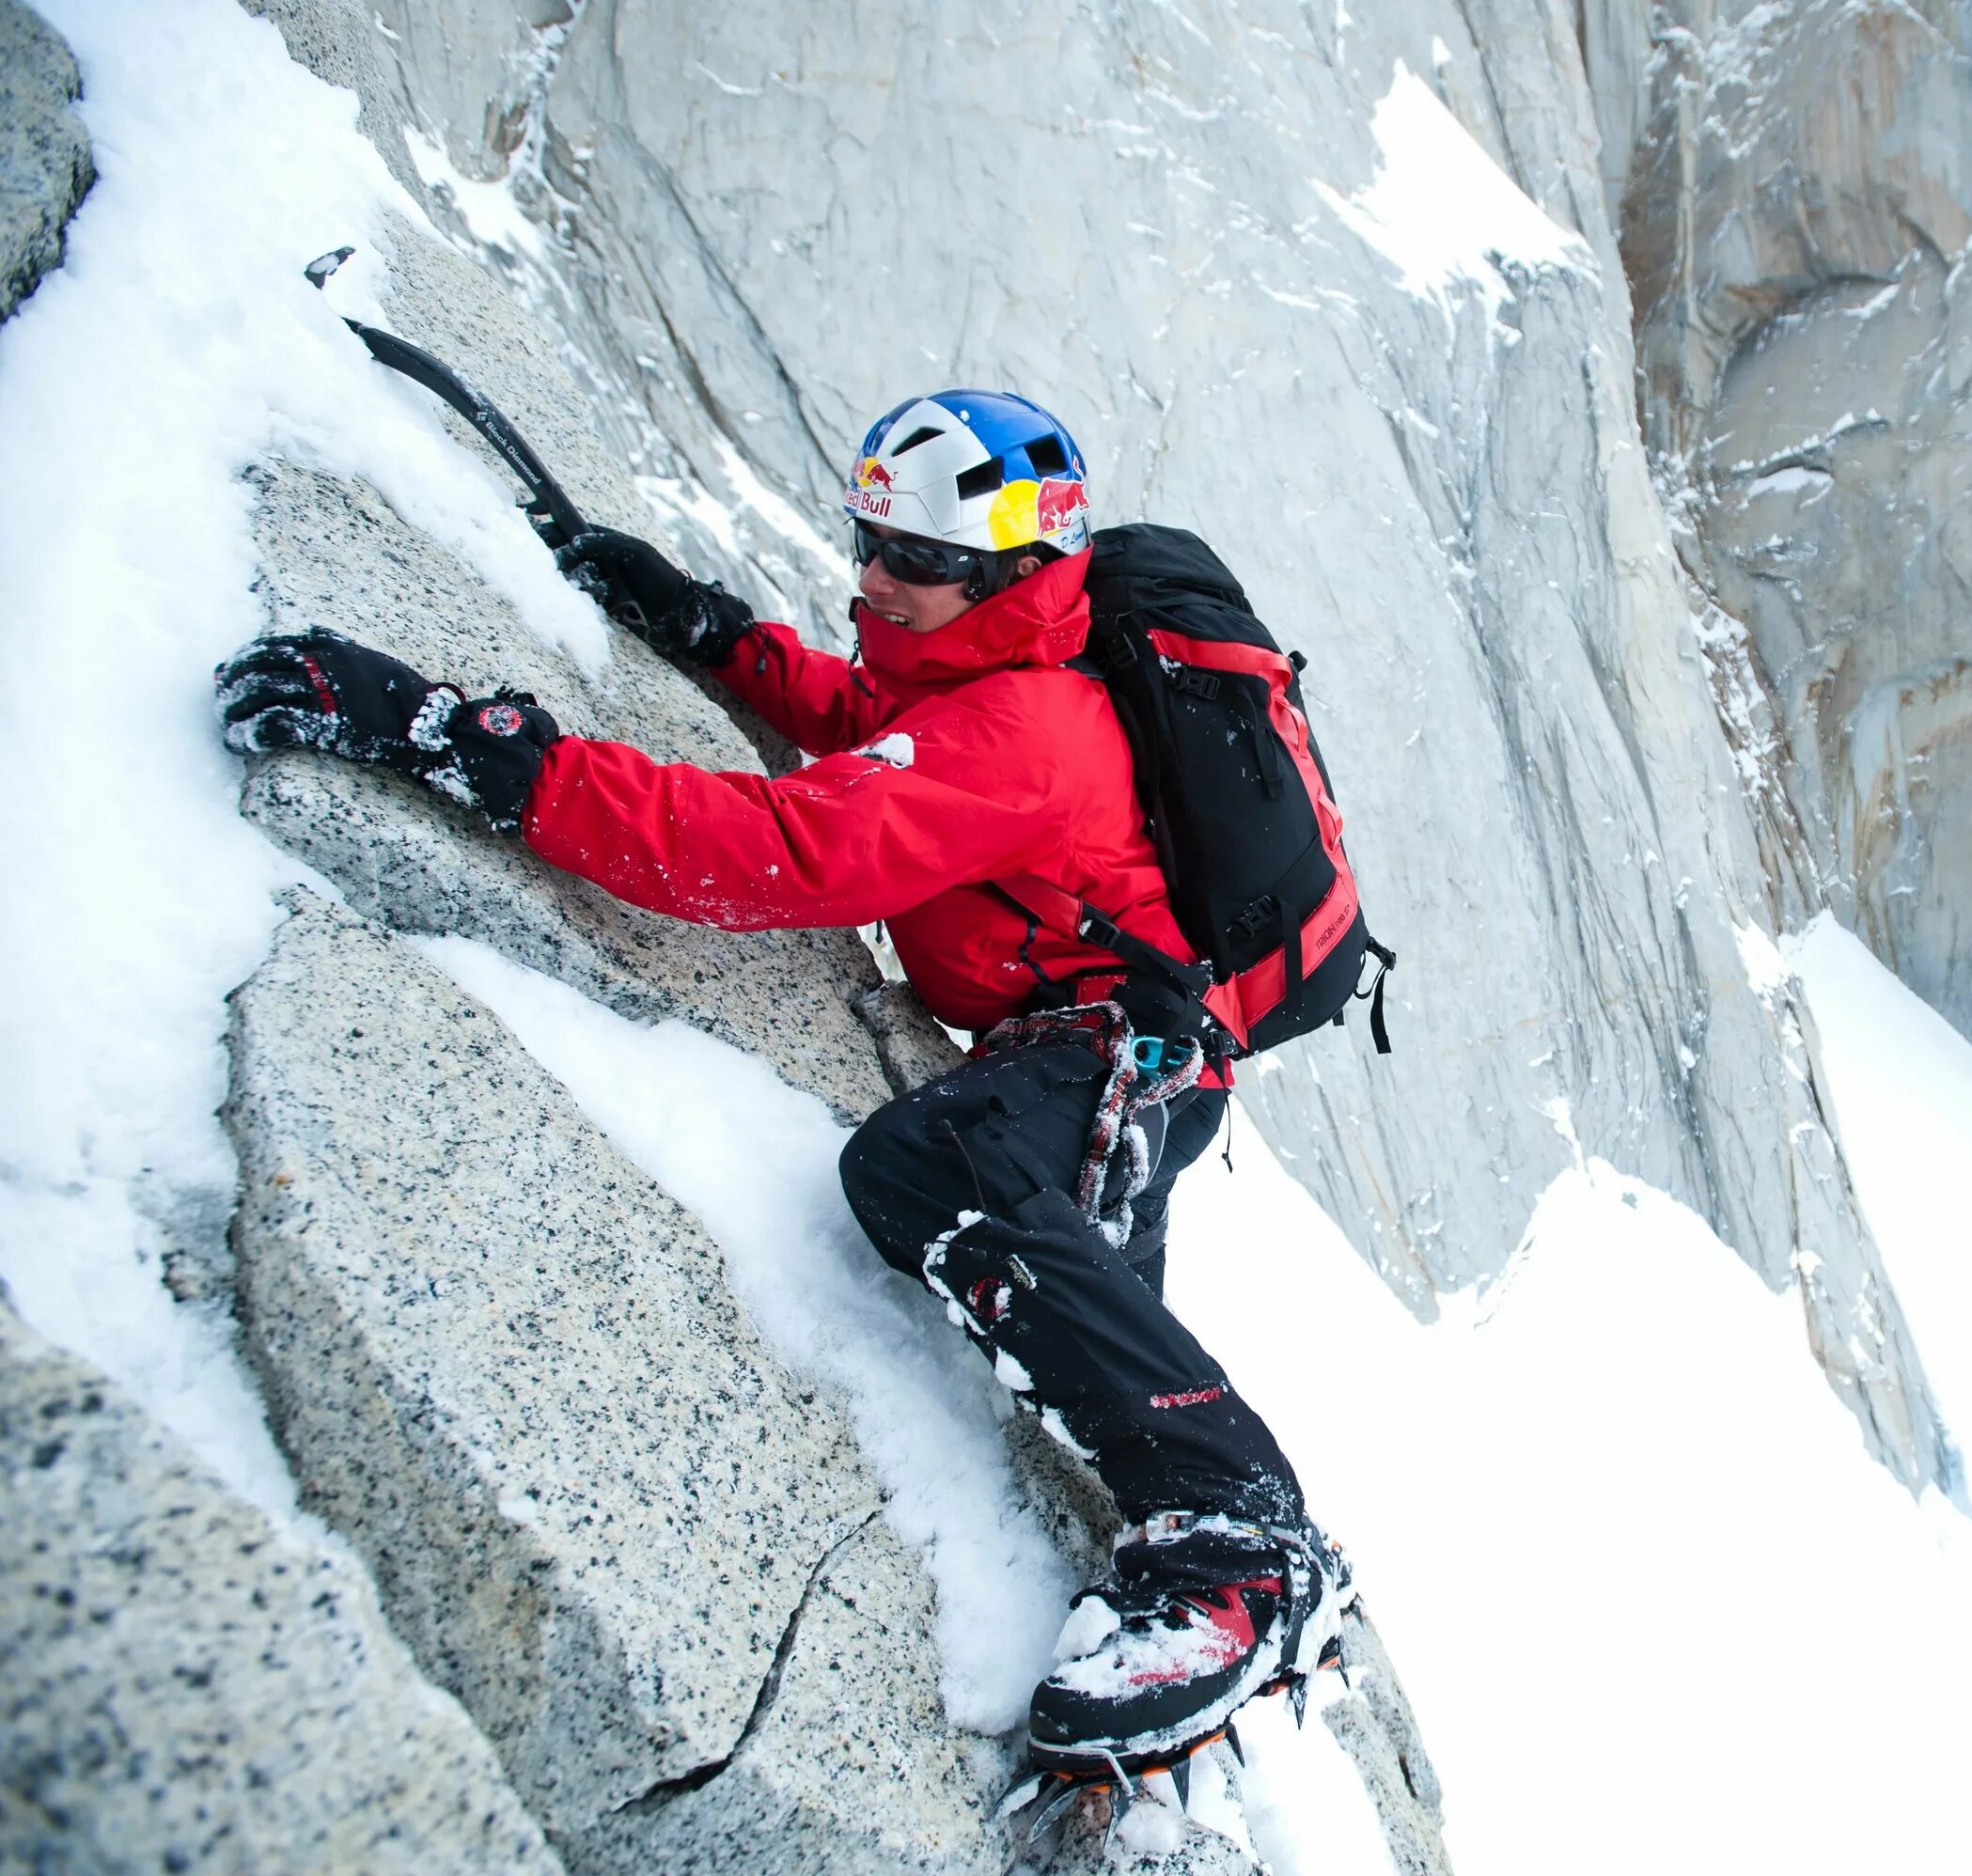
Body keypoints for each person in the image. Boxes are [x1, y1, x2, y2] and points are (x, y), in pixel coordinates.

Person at [215, 390, 1348, 1778]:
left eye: (913, 562)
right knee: (1084, 1359)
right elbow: (876, 721)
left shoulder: (1030, 732)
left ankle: (1244, 1544)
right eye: (870, 540)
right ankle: (1176, 1706)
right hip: (1107, 1047)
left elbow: (780, 853)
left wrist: (473, 746)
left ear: (1003, 573)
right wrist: (707, 631)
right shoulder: (988, 667)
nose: (873, 577)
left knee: (932, 1171)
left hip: (1120, 1051)